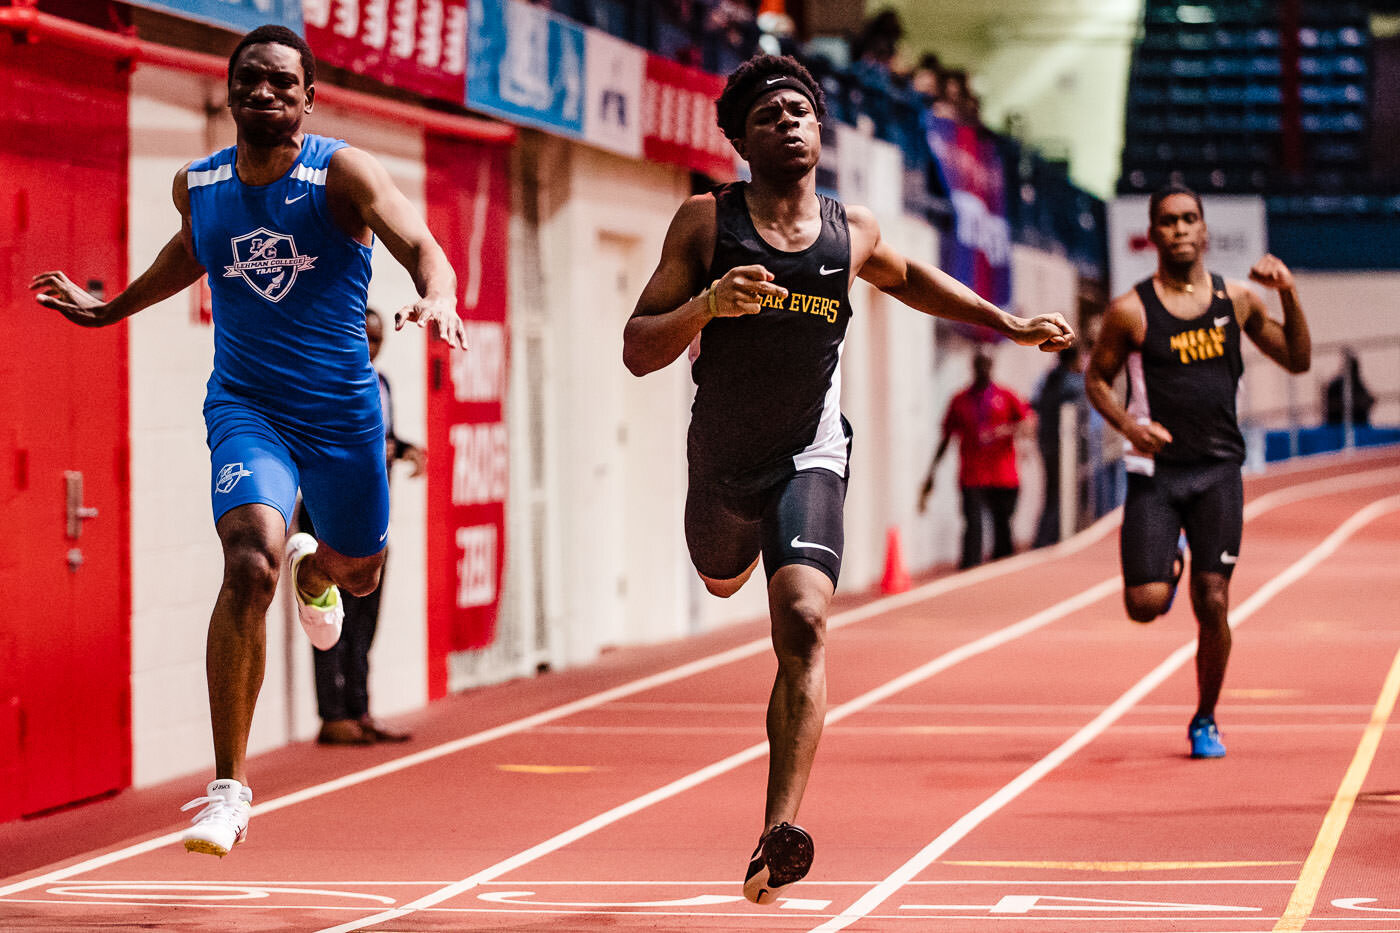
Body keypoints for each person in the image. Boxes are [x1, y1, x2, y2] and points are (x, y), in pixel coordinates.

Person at [622, 54, 1072, 905]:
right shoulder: (705, 223)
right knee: (723, 583)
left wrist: (1004, 321)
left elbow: (911, 280)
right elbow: (638, 346)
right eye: (767, 115)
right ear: (742, 142)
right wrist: (708, 306)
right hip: (721, 462)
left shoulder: (849, 230)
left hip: (808, 450)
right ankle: (737, 552)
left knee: (803, 621)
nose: (787, 120)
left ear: (821, 130)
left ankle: (775, 834)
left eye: (800, 109)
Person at [30, 24, 466, 857]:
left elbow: (422, 247)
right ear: (230, 92)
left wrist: (438, 295)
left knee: (360, 572)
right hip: (247, 406)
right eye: (250, 82)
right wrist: (108, 307)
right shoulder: (197, 184)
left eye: (281, 83)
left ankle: (320, 570)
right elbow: (187, 255)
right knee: (245, 561)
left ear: (309, 97)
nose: (264, 93)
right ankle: (229, 789)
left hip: (340, 413)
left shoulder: (342, 173)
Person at [1085, 185, 1310, 760]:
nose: (1180, 229)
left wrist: (1288, 294)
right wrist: (1129, 429)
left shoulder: (1236, 301)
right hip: (1156, 474)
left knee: (1214, 601)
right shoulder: (1130, 310)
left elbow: (1298, 359)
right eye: (1168, 221)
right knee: (1145, 605)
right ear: (1153, 234)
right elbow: (1096, 380)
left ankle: (1206, 718)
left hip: (1217, 471)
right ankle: (1169, 563)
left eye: (1189, 220)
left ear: (1205, 231)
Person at [299, 308, 424, 746]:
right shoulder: (325, 380)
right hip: (328, 512)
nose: (371, 349)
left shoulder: (382, 382)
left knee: (365, 618)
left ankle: (360, 707)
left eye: (377, 342)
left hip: (371, 515)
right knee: (328, 615)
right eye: (364, 340)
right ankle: (331, 715)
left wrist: (405, 448)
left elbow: (382, 435)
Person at [919, 349, 1034, 567]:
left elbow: (1028, 424)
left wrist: (1005, 430)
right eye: (979, 364)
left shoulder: (1006, 396)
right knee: (973, 526)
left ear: (992, 366)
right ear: (973, 367)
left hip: (1003, 475)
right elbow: (946, 438)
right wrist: (931, 473)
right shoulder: (960, 400)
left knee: (1003, 527)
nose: (983, 369)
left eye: (986, 364)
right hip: (972, 474)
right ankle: (970, 570)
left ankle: (1004, 572)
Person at [1032, 344, 1085, 547]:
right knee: (1059, 492)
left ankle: (1045, 537)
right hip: (1063, 447)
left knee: (1051, 491)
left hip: (1047, 441)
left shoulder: (1049, 379)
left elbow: (1035, 403)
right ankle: (1049, 538)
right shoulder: (1072, 383)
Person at [1324, 349, 1374, 428]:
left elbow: (1368, 400)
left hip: (1359, 426)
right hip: (1337, 427)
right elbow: (1329, 405)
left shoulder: (1358, 384)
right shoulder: (1336, 385)